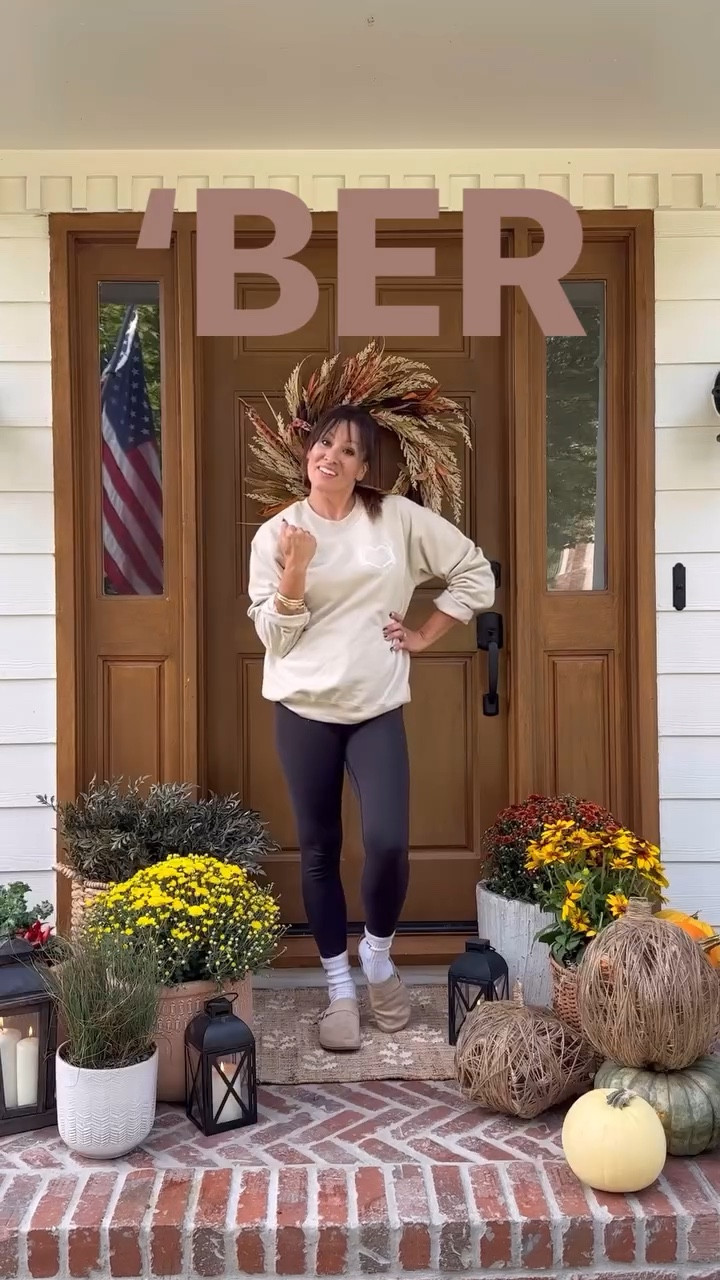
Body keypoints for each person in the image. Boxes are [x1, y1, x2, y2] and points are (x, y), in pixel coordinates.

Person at [247, 402, 496, 1052]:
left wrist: (424, 634)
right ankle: (338, 989)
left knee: (387, 843)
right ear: (308, 452)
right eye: (324, 444)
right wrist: (295, 568)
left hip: (376, 707)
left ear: (364, 467)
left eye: (349, 450)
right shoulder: (277, 533)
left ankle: (378, 958)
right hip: (302, 709)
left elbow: (474, 573)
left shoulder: (397, 519)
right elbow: (275, 638)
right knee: (320, 849)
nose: (331, 457)